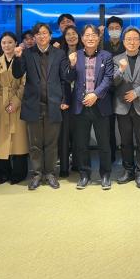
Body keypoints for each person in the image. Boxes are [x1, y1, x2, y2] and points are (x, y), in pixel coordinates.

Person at [12, 22, 76, 190]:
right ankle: (36, 174)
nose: (42, 36)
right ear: (34, 37)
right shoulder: (27, 53)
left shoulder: (59, 53)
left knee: (51, 143)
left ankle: (50, 174)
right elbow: (17, 74)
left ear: (50, 35)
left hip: (53, 104)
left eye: (45, 33)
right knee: (35, 144)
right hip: (33, 104)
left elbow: (66, 78)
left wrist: (71, 66)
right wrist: (17, 57)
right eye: (38, 34)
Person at [71, 25, 114, 189]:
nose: (90, 38)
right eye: (87, 35)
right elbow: (68, 78)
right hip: (81, 105)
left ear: (98, 37)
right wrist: (72, 65)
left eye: (93, 35)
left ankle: (105, 174)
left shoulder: (106, 56)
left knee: (104, 143)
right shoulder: (76, 55)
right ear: (82, 38)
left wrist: (95, 94)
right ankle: (84, 174)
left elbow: (108, 78)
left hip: (100, 105)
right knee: (81, 144)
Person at [0, 35, 29, 185]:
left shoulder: (22, 60)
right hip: (0, 102)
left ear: (16, 43)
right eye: (4, 43)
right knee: (0, 139)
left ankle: (19, 173)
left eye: (10, 42)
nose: (7, 45)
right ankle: (2, 172)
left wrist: (16, 102)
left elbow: (25, 83)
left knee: (19, 140)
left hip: (18, 101)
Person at [113, 26, 140, 188]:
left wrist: (137, 93)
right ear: (124, 41)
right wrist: (121, 70)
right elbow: (112, 82)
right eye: (128, 39)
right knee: (125, 141)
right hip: (122, 106)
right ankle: (128, 170)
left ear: (139, 41)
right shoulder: (116, 59)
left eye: (135, 39)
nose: (132, 42)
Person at [58, 25, 82, 176]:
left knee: (79, 133)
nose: (71, 37)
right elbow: (61, 79)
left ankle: (78, 164)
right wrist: (62, 98)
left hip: (80, 98)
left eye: (74, 34)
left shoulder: (84, 53)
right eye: (68, 34)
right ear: (64, 37)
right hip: (65, 99)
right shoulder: (60, 54)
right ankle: (64, 167)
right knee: (64, 135)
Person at [101, 16, 125, 164]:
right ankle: (111, 155)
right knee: (108, 126)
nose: (114, 30)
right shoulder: (102, 45)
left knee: (125, 126)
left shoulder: (127, 45)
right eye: (111, 28)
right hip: (107, 91)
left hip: (123, 89)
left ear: (121, 30)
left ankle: (127, 156)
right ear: (107, 30)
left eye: (117, 28)